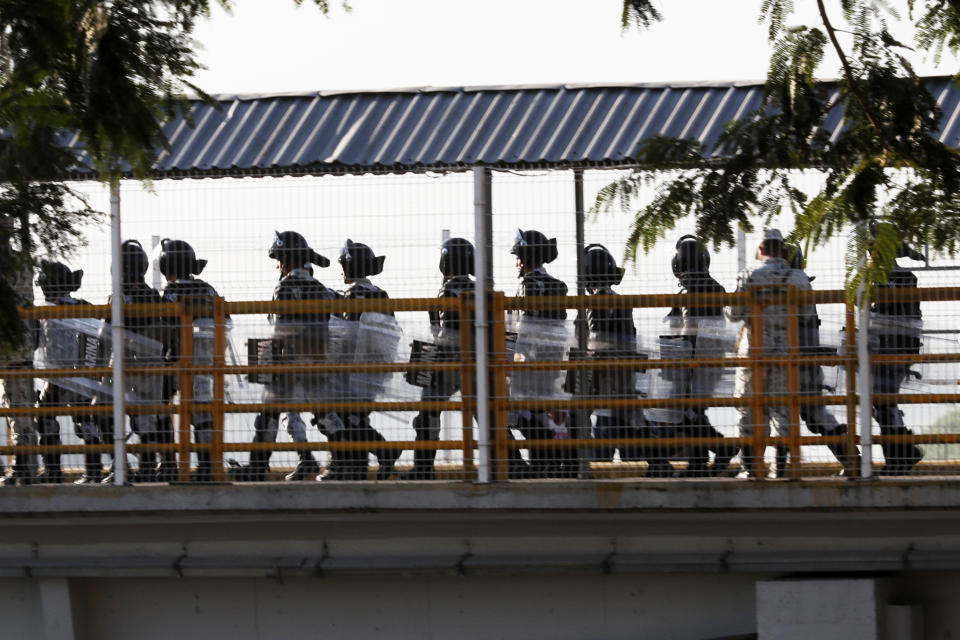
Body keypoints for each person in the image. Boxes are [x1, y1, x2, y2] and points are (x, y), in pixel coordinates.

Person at [233, 231, 337, 482]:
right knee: (325, 415)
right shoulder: (321, 289)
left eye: (279, 259)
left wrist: (270, 361)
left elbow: (282, 331)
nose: (278, 266)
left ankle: (257, 469)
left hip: (290, 363)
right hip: (317, 360)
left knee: (267, 415)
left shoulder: (285, 286)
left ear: (287, 259)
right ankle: (344, 462)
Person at [725, 229, 815, 478]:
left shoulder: (749, 276)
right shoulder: (798, 277)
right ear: (783, 250)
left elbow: (733, 313)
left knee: (749, 411)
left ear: (761, 249)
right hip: (787, 352)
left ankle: (751, 468)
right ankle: (781, 469)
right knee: (783, 411)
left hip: (753, 353)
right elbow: (807, 314)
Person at [659, 235, 739, 477]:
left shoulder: (687, 290)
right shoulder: (717, 287)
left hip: (694, 362)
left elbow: (687, 331)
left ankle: (719, 450)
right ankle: (701, 460)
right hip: (713, 362)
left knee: (688, 413)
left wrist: (681, 362)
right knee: (694, 412)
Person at [326, 239, 400, 481]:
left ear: (349, 266)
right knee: (357, 417)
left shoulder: (352, 295)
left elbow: (346, 336)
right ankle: (359, 467)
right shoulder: (381, 294)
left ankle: (383, 452)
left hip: (355, 370)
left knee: (347, 418)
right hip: (379, 369)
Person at [581, 243, 659, 472]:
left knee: (603, 445)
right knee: (630, 440)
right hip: (626, 381)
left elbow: (596, 345)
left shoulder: (596, 303)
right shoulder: (622, 302)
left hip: (606, 384)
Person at [404, 237, 475, 480]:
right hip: (480, 365)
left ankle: (423, 469)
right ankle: (512, 464)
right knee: (490, 416)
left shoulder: (449, 289)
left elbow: (447, 333)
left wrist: (428, 362)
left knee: (427, 414)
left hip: (450, 363)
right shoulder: (481, 289)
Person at [786, 244, 859, 477]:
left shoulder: (789, 282)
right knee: (815, 414)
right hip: (807, 360)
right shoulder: (802, 280)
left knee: (780, 411)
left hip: (795, 361)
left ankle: (779, 468)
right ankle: (851, 458)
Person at [508, 228, 573, 478]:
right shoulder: (558, 286)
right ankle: (552, 462)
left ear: (525, 257)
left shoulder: (527, 286)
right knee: (544, 414)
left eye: (518, 256)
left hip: (529, 363)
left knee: (525, 416)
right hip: (555, 362)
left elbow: (522, 330)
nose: (516, 261)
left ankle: (545, 464)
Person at [158, 239, 221, 482]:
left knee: (162, 404)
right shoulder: (208, 289)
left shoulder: (171, 293)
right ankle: (207, 467)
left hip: (178, 359)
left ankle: (169, 464)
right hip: (208, 359)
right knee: (202, 408)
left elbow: (165, 328)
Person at [35, 260, 103, 484]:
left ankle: (53, 471)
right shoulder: (84, 306)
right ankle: (93, 471)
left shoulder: (44, 311)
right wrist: (91, 372)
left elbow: (37, 343)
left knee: (46, 419)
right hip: (81, 375)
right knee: (85, 422)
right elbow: (94, 342)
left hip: (57, 377)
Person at [870, 232, 925, 475]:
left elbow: (878, 315)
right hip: (902, 349)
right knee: (884, 403)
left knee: (883, 403)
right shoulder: (907, 277)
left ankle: (900, 458)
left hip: (886, 349)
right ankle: (902, 454)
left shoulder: (880, 279)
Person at [0, 239, 38, 486]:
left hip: (8, 346)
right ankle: (26, 467)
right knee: (21, 408)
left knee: (17, 409)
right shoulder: (22, 263)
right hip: (21, 347)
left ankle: (23, 467)